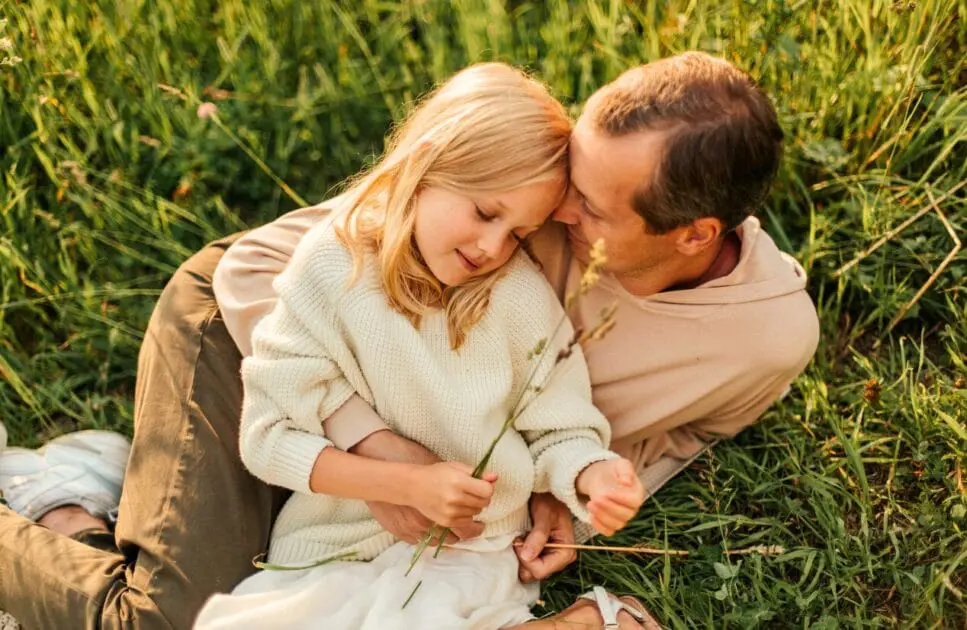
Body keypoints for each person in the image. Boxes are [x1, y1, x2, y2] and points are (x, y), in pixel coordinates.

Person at [0, 51, 818, 630]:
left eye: (593, 208)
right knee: (162, 621)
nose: (562, 212)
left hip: (396, 476)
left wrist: (568, 492)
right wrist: (381, 451)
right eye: (569, 179)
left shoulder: (763, 338)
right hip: (247, 331)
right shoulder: (503, 210)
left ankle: (78, 503)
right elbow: (253, 273)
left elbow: (682, 429)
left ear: (693, 235)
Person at [192, 62, 648, 629]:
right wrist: (406, 484)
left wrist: (591, 475)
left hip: (468, 552)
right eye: (485, 212)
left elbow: (559, 427)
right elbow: (269, 438)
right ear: (427, 160)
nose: (492, 247)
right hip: (333, 544)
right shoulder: (330, 269)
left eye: (520, 235)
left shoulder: (518, 297)